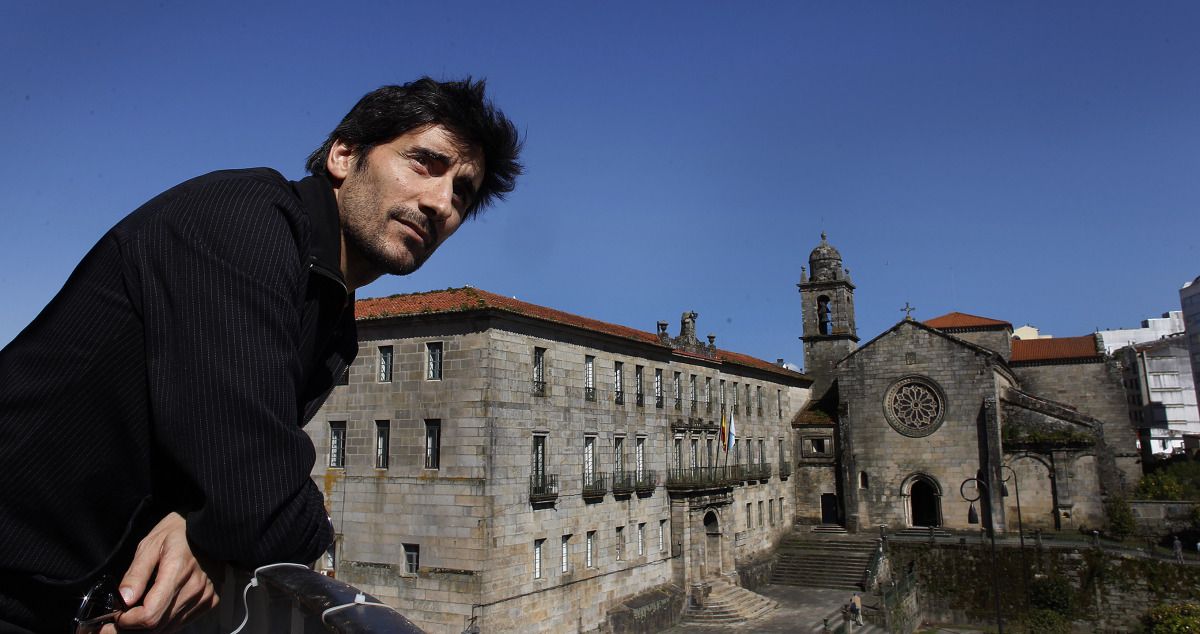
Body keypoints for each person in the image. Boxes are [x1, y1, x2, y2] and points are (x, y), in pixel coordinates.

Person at [0, 77, 522, 633]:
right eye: (424, 163)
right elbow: (260, 498)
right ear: (344, 156)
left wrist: (206, 531)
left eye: (462, 192)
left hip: (70, 601)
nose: (441, 203)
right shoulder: (246, 223)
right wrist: (233, 518)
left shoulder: (328, 312)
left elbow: (229, 480)